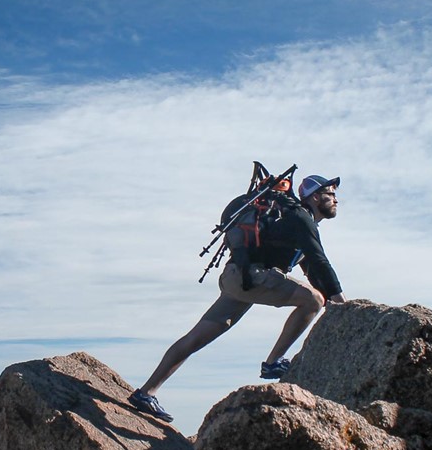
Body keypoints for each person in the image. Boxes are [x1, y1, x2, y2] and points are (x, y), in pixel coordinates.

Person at [129, 174, 347, 422]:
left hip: (237, 277)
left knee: (196, 338)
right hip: (250, 277)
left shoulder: (297, 220)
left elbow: (313, 269)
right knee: (313, 300)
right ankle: (273, 362)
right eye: (331, 194)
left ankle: (146, 392)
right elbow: (320, 261)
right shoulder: (300, 218)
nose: (336, 200)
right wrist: (342, 303)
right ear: (315, 197)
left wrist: (335, 301)